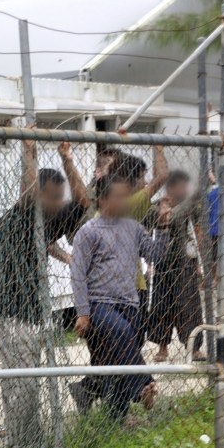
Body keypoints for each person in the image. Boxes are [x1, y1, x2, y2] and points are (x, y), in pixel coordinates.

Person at [0, 139, 89, 448]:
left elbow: (84, 202)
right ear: (40, 194)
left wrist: (67, 159)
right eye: (54, 197)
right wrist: (28, 151)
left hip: (33, 311)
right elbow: (28, 191)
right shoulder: (22, 216)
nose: (60, 203)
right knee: (20, 389)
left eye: (61, 197)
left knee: (26, 387)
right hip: (12, 313)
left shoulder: (47, 219)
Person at [69, 145, 167, 413]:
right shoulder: (89, 232)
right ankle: (144, 385)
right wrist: (83, 313)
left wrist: (165, 228)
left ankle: (117, 417)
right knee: (122, 333)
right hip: (100, 304)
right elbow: (77, 274)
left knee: (119, 357)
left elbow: (155, 254)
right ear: (103, 200)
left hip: (130, 303)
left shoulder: (132, 227)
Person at [143, 171, 205, 362]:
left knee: (189, 306)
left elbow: (197, 231)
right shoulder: (155, 208)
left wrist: (201, 262)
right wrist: (147, 263)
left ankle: (193, 348)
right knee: (161, 307)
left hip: (183, 262)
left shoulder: (189, 206)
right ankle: (163, 348)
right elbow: (145, 233)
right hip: (162, 263)